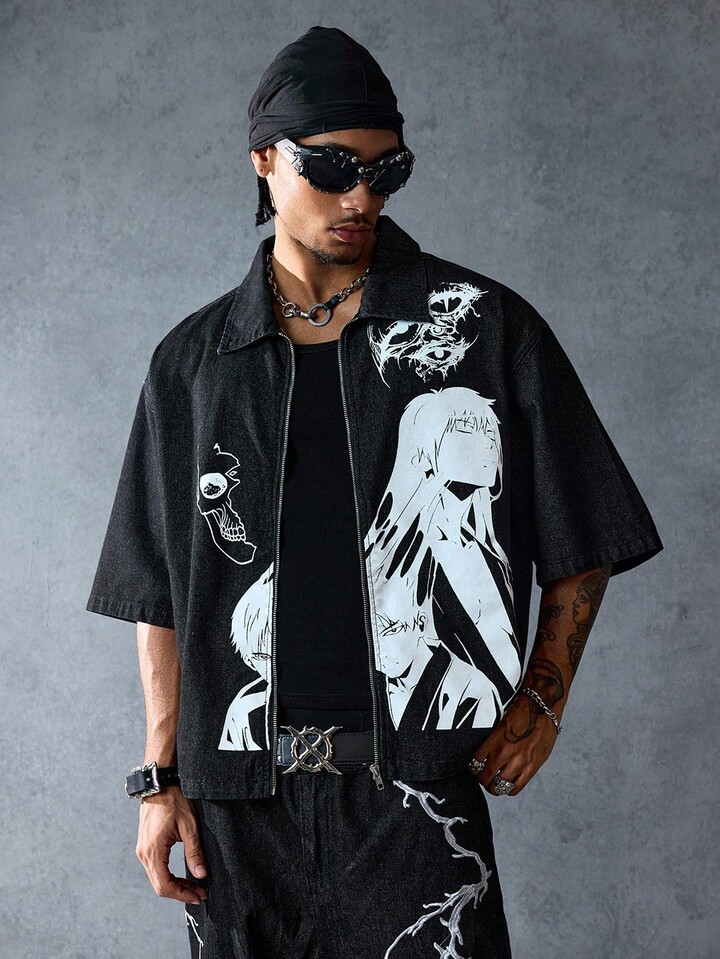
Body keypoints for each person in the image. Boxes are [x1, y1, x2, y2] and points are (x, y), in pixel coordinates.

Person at [86, 25, 664, 959]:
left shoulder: (481, 330)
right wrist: (159, 780)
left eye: (386, 171)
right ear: (264, 160)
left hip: (416, 804)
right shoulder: (194, 365)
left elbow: (585, 527)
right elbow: (157, 588)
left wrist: (543, 697)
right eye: (331, 167)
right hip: (241, 813)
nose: (361, 196)